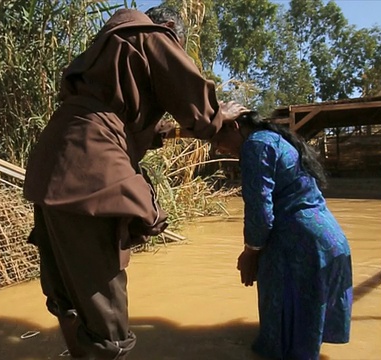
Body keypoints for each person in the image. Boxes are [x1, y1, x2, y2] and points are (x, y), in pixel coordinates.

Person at [23, 5, 247, 359]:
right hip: (90, 170)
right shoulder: (152, 37)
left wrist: (173, 132)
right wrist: (221, 118)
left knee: (65, 294)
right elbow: (201, 113)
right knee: (106, 316)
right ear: (171, 28)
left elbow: (125, 119)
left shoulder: (105, 51)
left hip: (51, 164)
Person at [211, 111, 353, 360]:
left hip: (300, 247)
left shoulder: (255, 145)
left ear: (234, 126)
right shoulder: (272, 139)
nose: (218, 150)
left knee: (281, 347)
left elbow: (259, 209)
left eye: (218, 141)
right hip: (327, 239)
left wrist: (250, 252)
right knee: (304, 334)